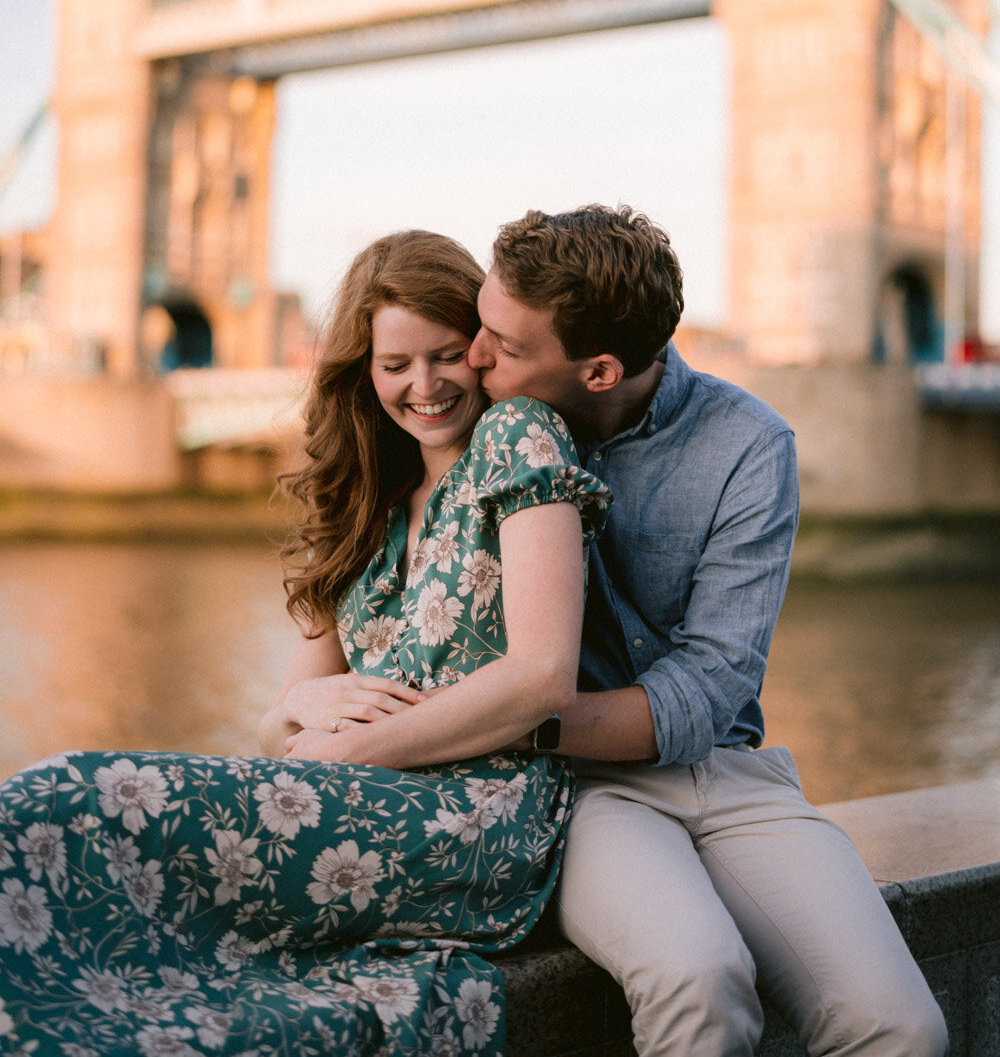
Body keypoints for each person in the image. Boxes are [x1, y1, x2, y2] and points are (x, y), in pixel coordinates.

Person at [0, 230, 609, 1056]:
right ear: (363, 371)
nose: (424, 385)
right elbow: (272, 733)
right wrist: (305, 703)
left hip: (482, 822)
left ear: (482, 350)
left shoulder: (519, 438)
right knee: (46, 816)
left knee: (82, 795)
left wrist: (344, 754)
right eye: (396, 365)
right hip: (356, 799)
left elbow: (543, 677)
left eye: (445, 356)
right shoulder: (364, 498)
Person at [466, 203, 949, 1057]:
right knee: (698, 979)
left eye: (504, 347)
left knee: (901, 1027)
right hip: (582, 791)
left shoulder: (750, 444)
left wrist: (496, 720)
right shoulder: (478, 423)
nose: (473, 360)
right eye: (482, 327)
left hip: (728, 771)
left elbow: (711, 686)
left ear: (602, 370)